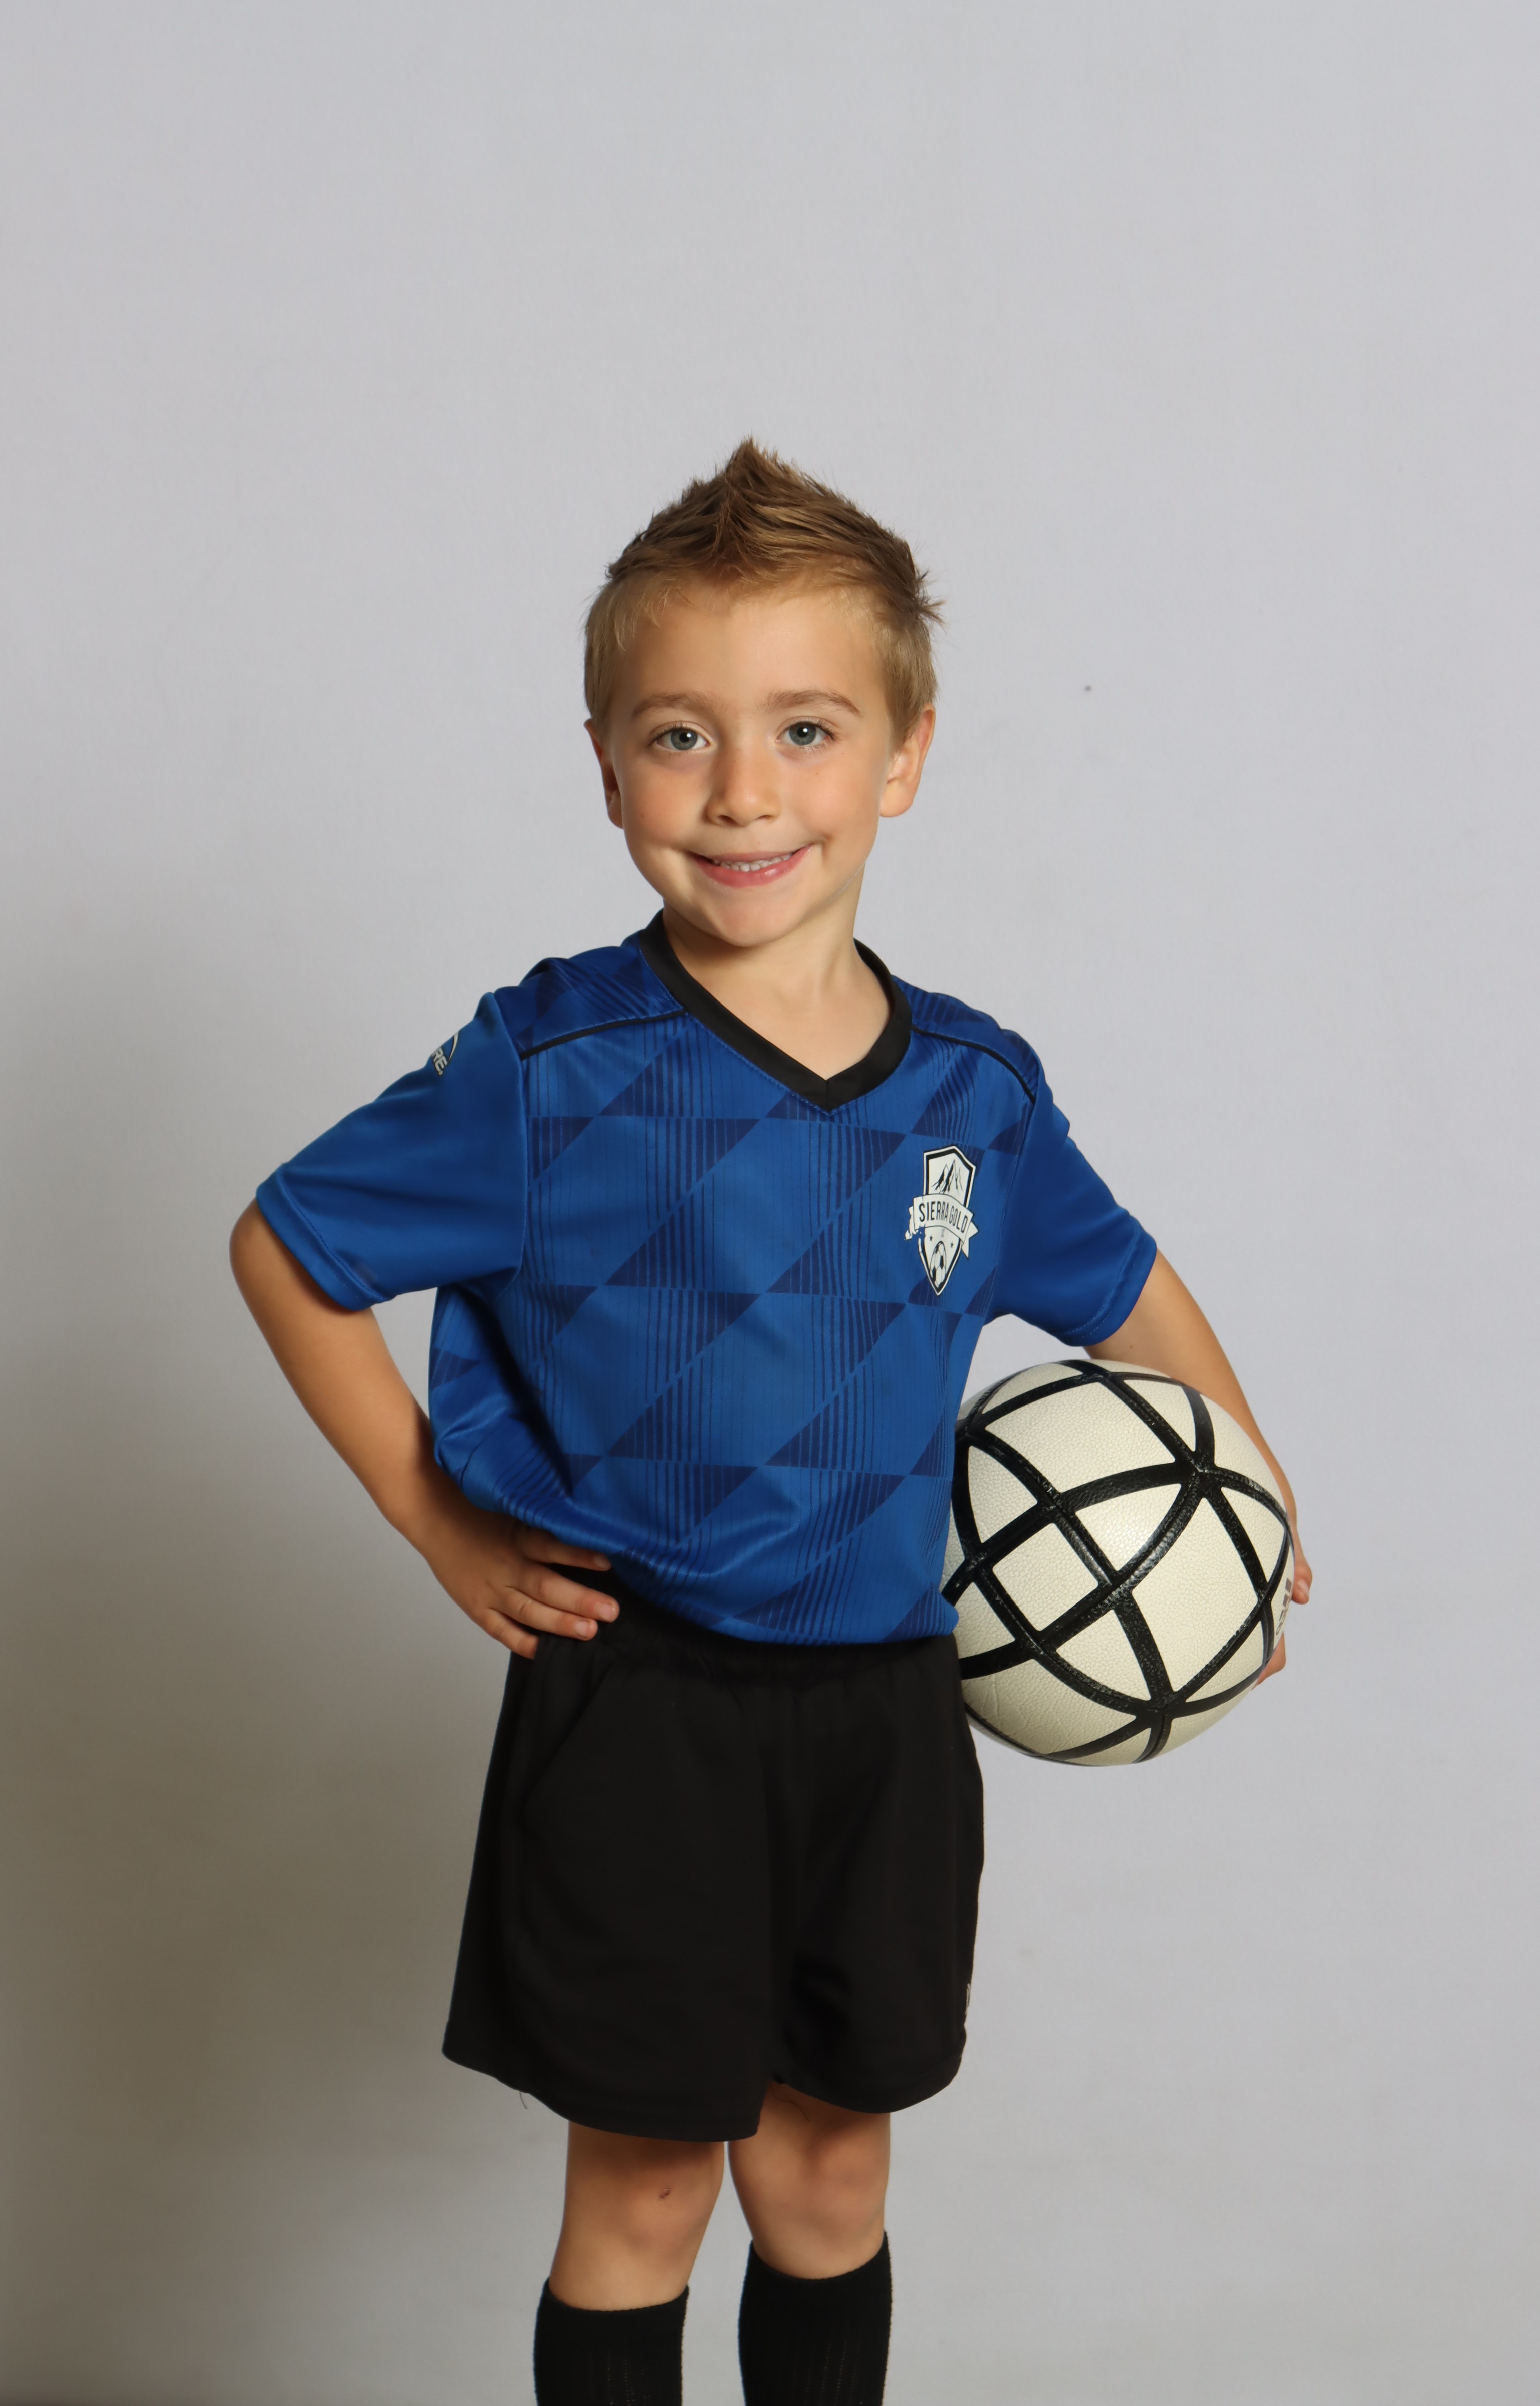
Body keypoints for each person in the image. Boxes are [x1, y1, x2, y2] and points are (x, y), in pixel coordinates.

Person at [230, 441, 1311, 2406]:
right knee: (645, 2191)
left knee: (826, 2175)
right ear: (605, 765)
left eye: (805, 730)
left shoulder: (974, 1092)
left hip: (886, 1712)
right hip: (639, 1707)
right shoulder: (552, 1065)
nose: (743, 791)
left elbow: (1121, 1288)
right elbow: (290, 1246)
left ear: (903, 757)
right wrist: (436, 1519)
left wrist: (1233, 1494)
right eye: (680, 734)